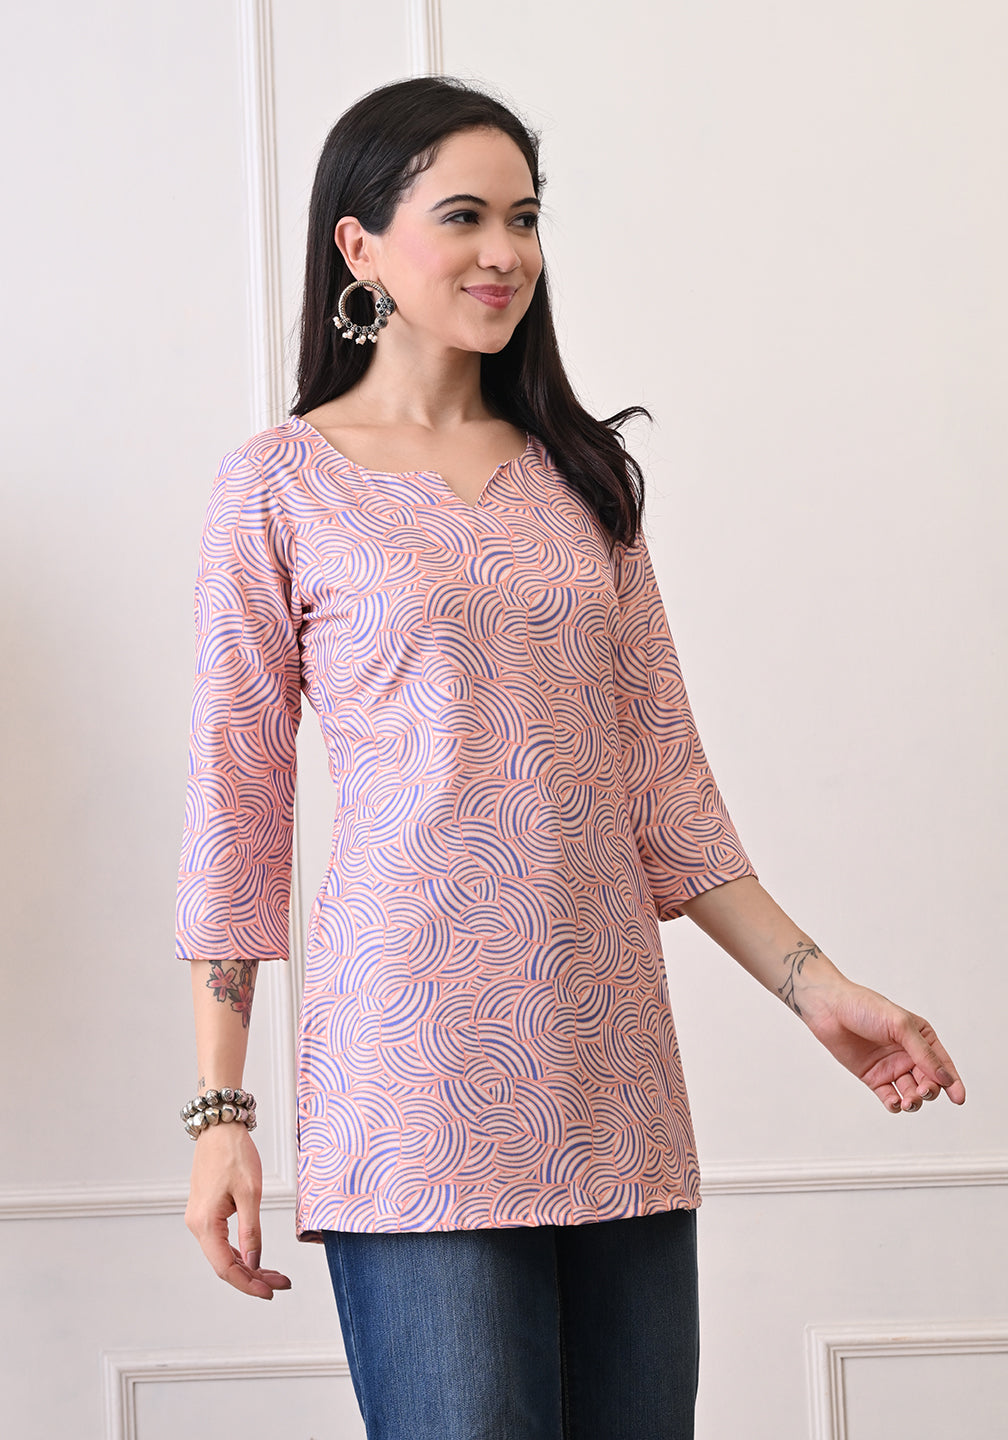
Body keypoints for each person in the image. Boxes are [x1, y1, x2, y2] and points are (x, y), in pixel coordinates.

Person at [176, 76, 965, 1440]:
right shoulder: (276, 487)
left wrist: (818, 988)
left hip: (613, 1079)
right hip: (413, 1092)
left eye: (526, 219)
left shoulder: (580, 480)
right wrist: (220, 1111)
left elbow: (668, 789)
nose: (507, 253)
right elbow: (235, 814)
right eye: (465, 217)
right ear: (359, 246)